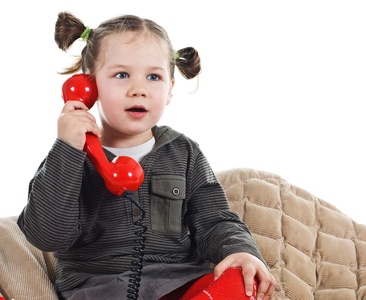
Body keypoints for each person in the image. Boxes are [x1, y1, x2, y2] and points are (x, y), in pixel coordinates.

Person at [17, 11, 276, 300]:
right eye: (121, 74)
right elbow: (45, 236)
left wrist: (240, 250)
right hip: (98, 288)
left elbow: (214, 219)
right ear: (90, 85)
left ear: (170, 90)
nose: (138, 90)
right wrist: (67, 149)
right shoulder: (68, 156)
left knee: (241, 280)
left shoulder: (184, 152)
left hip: (177, 282)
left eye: (154, 77)